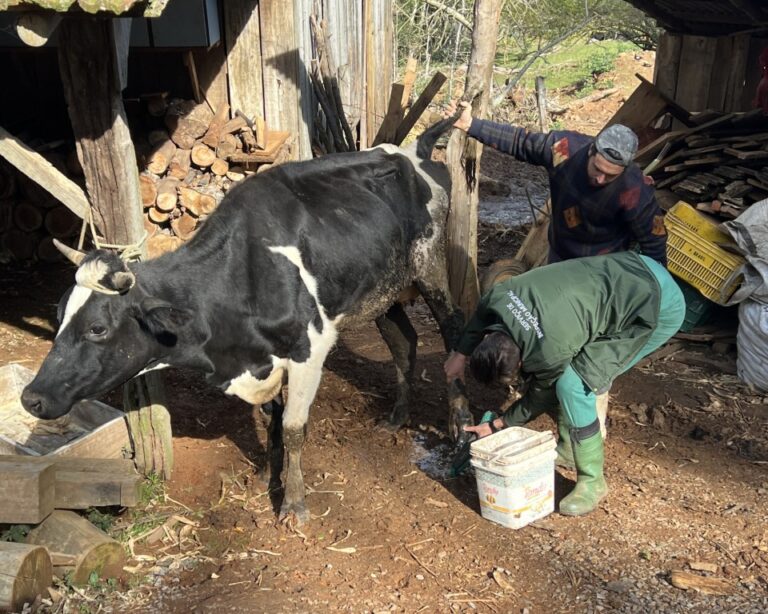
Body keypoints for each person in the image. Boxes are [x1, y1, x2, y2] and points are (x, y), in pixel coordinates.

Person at [443, 252, 685, 516]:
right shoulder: (500, 296)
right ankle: (569, 449)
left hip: (656, 306)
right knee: (571, 364)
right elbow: (480, 316)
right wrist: (459, 354)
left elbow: (540, 396)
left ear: (522, 362)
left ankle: (593, 482)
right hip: (633, 267)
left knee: (572, 384)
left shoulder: (550, 350)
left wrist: (498, 424)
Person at [445, 101, 667, 265]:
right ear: (591, 151)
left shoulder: (635, 190)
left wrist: (656, 293)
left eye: (610, 176)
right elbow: (519, 141)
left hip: (604, 266)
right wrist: (471, 125)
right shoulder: (565, 149)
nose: (600, 179)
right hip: (560, 251)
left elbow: (654, 241)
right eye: (597, 169)